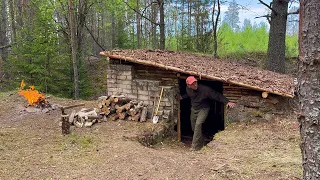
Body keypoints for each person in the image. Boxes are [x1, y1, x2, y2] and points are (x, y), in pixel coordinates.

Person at [180, 76, 236, 151]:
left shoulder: (205, 90)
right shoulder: (188, 89)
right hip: (194, 109)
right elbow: (189, 95)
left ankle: (194, 146)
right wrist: (182, 97)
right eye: (192, 84)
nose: (195, 85)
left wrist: (227, 101)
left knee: (198, 124)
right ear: (188, 85)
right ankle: (201, 143)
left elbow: (216, 95)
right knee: (194, 128)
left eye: (195, 82)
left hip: (203, 109)